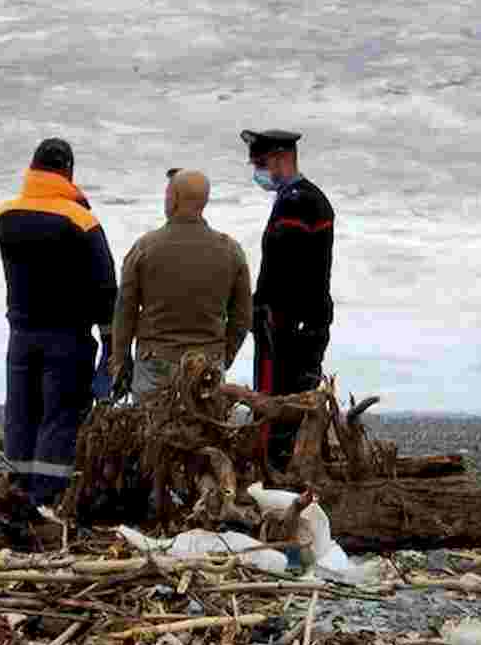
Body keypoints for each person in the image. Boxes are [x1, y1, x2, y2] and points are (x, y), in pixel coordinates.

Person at [0, 138, 117, 543]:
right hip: (67, 336)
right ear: (68, 172)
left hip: (20, 333)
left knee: (21, 413)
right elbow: (105, 287)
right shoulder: (81, 221)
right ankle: (44, 503)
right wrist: (111, 341)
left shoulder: (4, 217)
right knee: (59, 417)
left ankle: (15, 493)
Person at [111, 168, 252, 401]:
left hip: (155, 361)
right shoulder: (231, 250)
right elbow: (242, 317)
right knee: (204, 422)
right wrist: (223, 356)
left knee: (151, 423)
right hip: (208, 362)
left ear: (174, 198)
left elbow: (125, 311)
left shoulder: (145, 247)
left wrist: (120, 361)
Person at [242, 128, 334, 468]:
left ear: (281, 158)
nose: (258, 172)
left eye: (261, 164)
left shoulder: (296, 202)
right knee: (297, 395)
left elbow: (284, 267)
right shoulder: (306, 198)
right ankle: (293, 461)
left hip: (286, 321)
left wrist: (262, 307)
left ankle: (275, 467)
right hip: (306, 318)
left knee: (275, 400)